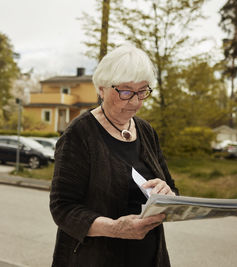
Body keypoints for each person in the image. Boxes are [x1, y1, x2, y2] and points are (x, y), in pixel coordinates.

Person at [49, 44, 179, 267]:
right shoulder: (79, 134)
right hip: (94, 258)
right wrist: (116, 229)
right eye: (126, 91)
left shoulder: (146, 131)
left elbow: (172, 188)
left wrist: (167, 194)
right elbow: (63, 208)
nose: (136, 101)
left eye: (142, 91)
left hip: (149, 258)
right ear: (101, 89)